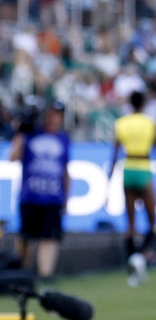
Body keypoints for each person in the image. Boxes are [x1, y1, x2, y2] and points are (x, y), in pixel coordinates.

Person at [8, 100, 71, 282]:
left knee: (49, 238)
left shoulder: (63, 139)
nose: (54, 118)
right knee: (25, 237)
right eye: (51, 114)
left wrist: (66, 198)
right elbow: (13, 157)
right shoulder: (30, 135)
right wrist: (20, 133)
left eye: (58, 114)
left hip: (53, 197)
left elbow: (65, 170)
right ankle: (20, 272)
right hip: (30, 195)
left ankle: (45, 275)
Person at [107, 90, 156, 286]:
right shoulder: (150, 123)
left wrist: (109, 177)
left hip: (128, 168)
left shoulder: (121, 123)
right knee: (153, 219)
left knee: (130, 223)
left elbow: (115, 153)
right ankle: (142, 257)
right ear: (144, 103)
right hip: (144, 168)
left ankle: (131, 267)